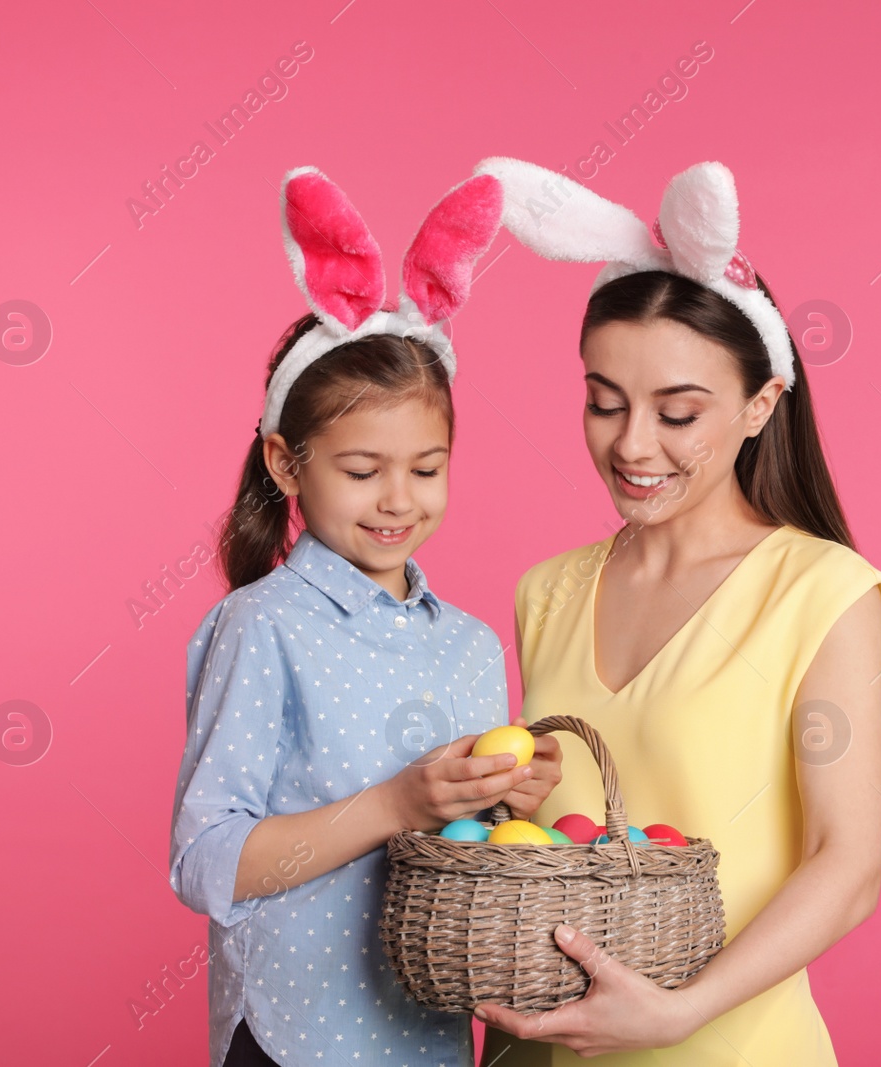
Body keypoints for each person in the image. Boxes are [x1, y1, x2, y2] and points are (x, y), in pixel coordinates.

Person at [471, 159, 881, 1064]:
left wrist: (683, 1008)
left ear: (760, 405)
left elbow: (846, 862)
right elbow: (560, 830)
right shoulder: (547, 593)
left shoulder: (822, 593)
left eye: (679, 413)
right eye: (604, 402)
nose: (633, 444)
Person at [168, 166, 561, 1067]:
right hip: (295, 1039)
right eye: (362, 469)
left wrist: (506, 800)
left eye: (426, 468)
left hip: (427, 1038)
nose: (398, 499)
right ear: (286, 461)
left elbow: (464, 849)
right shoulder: (261, 626)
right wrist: (396, 801)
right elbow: (205, 862)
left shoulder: (468, 641)